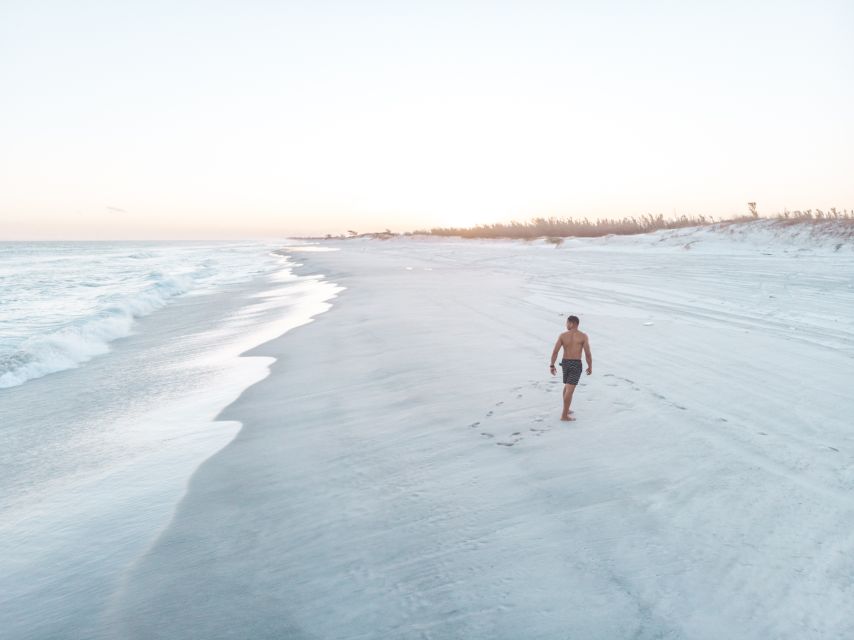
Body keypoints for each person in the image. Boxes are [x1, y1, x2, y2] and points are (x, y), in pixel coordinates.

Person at [549, 315, 592, 421]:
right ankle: (564, 415)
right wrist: (590, 366)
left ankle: (566, 409)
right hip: (576, 363)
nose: (566, 325)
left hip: (565, 363)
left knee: (567, 387)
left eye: (567, 323)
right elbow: (588, 354)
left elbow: (555, 351)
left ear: (572, 323)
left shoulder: (563, 336)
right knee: (570, 389)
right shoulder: (583, 336)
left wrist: (552, 365)